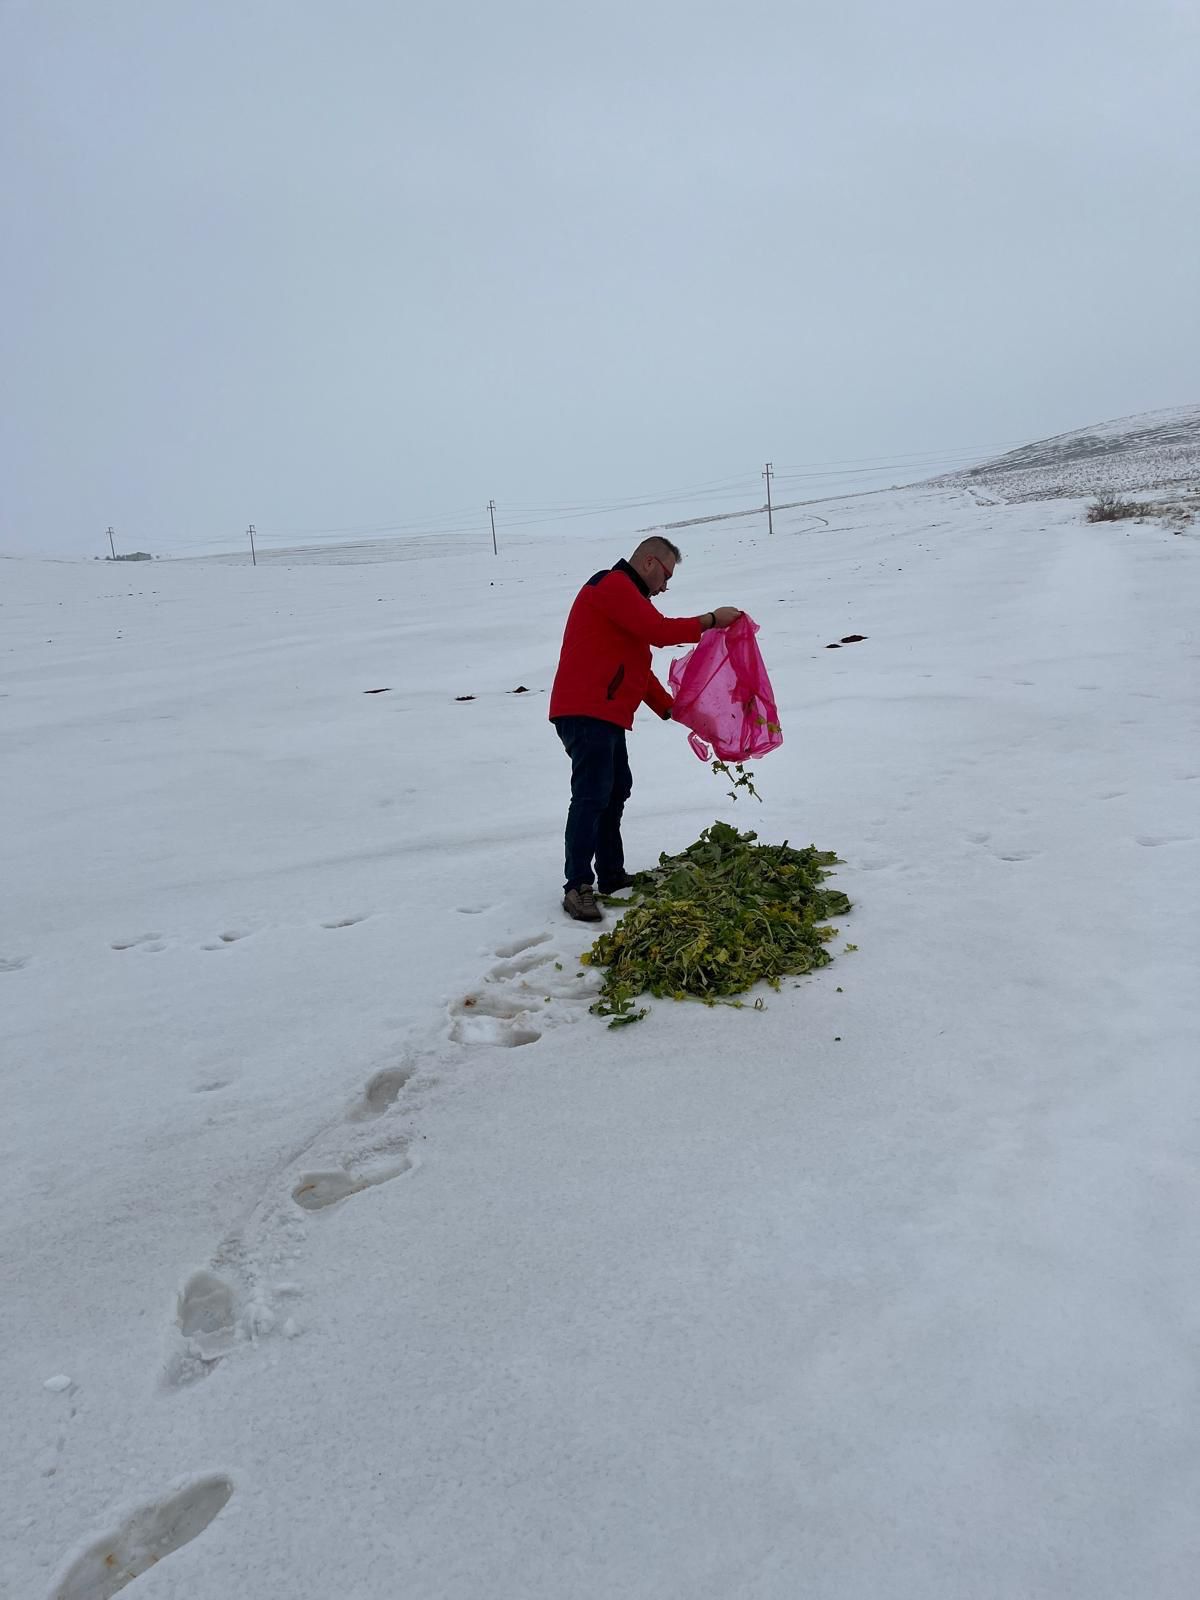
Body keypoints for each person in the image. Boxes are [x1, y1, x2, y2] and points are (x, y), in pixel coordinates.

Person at [548, 536, 741, 921]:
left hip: (605, 711)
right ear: (649, 562)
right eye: (666, 575)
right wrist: (710, 621)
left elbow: (638, 668)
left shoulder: (630, 601)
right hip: (586, 709)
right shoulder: (612, 585)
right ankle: (577, 886)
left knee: (616, 788)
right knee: (591, 794)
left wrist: (674, 709)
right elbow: (660, 632)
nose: (666, 585)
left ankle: (611, 874)